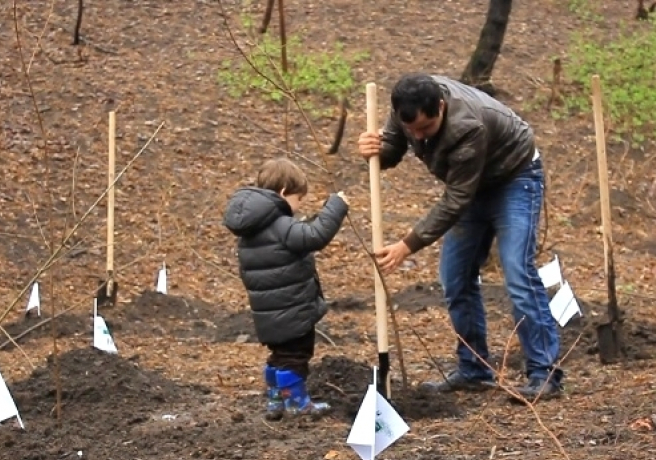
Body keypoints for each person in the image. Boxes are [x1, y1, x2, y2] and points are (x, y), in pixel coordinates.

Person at [356, 73, 563, 400]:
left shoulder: (468, 124)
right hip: (471, 185)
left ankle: (544, 374)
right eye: (411, 129)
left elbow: (456, 201)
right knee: (455, 277)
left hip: (514, 178)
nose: (418, 135)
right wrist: (377, 148)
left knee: (517, 273)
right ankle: (475, 368)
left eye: (425, 128)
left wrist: (407, 245)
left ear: (440, 106)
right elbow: (394, 148)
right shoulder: (407, 110)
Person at [223, 158, 349, 419]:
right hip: (293, 308)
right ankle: (297, 404)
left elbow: (302, 233)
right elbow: (315, 235)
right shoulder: (280, 225)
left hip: (268, 311)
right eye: (298, 199)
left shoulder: (253, 230)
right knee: (296, 356)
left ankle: (275, 401)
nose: (298, 206)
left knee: (279, 355)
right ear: (282, 193)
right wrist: (336, 206)